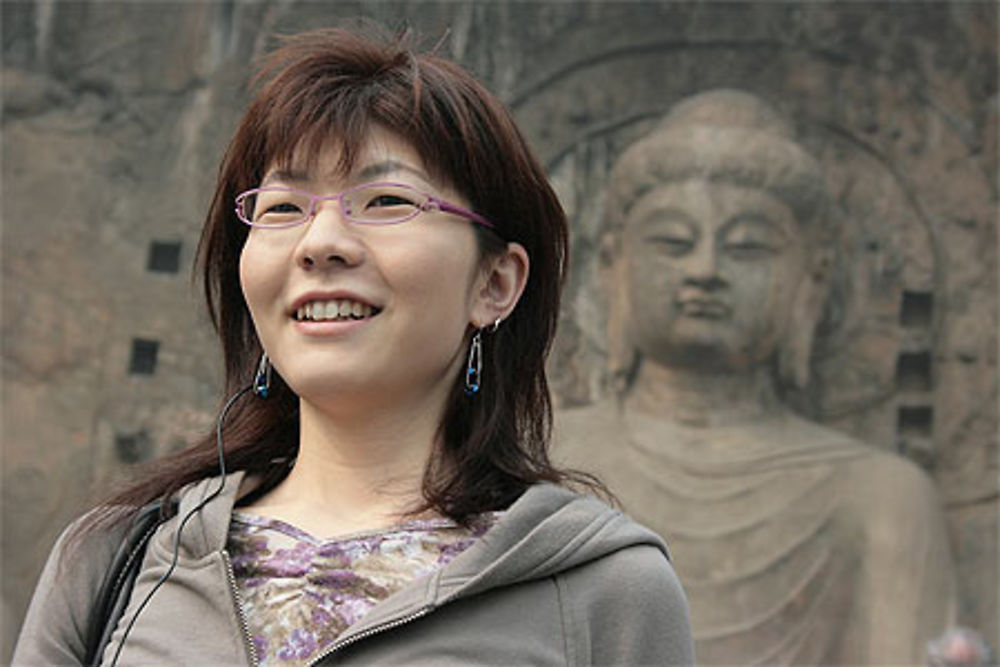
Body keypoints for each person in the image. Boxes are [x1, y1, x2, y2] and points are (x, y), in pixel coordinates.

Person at [13, 27, 693, 667]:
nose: (321, 243)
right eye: (283, 207)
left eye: (386, 200)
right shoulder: (114, 560)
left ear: (495, 282)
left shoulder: (607, 589)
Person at [554, 89, 955, 665]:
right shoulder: (538, 457)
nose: (705, 270)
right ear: (613, 264)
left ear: (810, 279)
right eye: (673, 242)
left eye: (748, 247)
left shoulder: (882, 496)